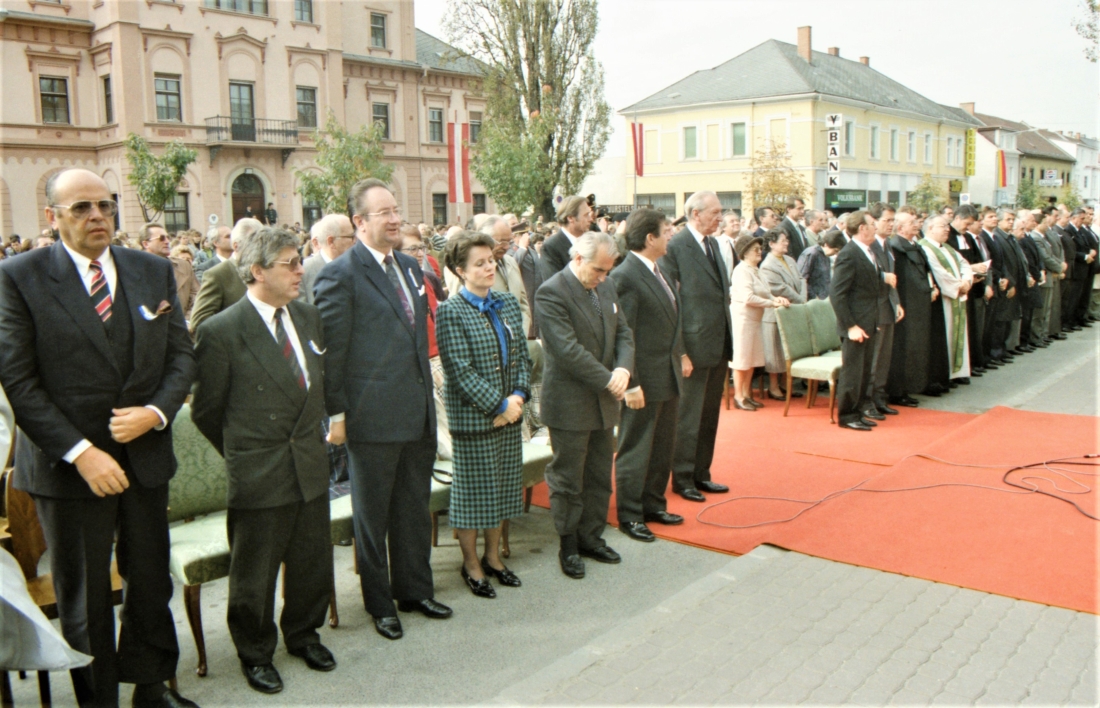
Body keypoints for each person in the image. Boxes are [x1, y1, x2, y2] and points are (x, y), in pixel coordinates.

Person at [0, 168, 198, 707]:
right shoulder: (20, 276)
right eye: (82, 208)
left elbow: (181, 354)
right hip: (70, 468)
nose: (97, 217)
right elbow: (18, 381)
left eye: (106, 206)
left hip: (144, 457)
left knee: (151, 581)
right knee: (84, 596)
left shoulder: (151, 270)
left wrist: (155, 412)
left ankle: (151, 687)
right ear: (53, 217)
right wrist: (82, 453)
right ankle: (99, 699)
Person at [191, 227, 335, 694]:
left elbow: (317, 384)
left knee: (312, 558)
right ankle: (255, 652)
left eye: (300, 261)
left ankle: (303, 633)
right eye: (290, 263)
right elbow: (208, 411)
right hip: (259, 469)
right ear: (256, 271)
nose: (300, 270)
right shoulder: (221, 330)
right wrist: (246, 451)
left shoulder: (309, 318)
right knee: (255, 573)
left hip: (309, 463)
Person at [314, 178, 452, 640]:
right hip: (371, 419)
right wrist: (337, 416)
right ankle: (380, 603)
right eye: (385, 213)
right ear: (359, 222)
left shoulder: (411, 267)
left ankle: (414, 588)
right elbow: (332, 355)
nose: (396, 219)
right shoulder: (340, 274)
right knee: (371, 518)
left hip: (417, 413)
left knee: (413, 509)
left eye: (397, 210)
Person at [435, 231, 531, 597]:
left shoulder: (505, 302)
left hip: (510, 414)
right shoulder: (451, 311)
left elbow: (520, 356)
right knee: (474, 496)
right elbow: (460, 372)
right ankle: (471, 564)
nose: (490, 267)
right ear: (460, 270)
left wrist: (518, 398)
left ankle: (494, 558)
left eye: (491, 260)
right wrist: (500, 405)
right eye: (480, 263)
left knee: (504, 490)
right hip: (476, 420)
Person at [535, 232, 634, 579]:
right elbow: (567, 351)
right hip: (570, 401)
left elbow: (623, 331)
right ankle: (569, 544)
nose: (604, 278)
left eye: (608, 271)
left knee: (597, 474)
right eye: (598, 270)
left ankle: (592, 537)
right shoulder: (551, 292)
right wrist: (610, 379)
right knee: (568, 478)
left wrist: (623, 368)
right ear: (577, 258)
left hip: (604, 399)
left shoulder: (605, 286)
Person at [608, 209, 684, 542]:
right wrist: (632, 382)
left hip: (666, 373)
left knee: (662, 446)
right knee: (636, 446)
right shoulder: (625, 276)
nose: (671, 235)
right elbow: (625, 335)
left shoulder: (659, 269)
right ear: (649, 238)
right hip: (643, 378)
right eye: (666, 231)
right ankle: (630, 513)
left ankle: (653, 503)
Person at [659, 191, 732, 503]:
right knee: (688, 417)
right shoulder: (675, 247)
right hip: (693, 346)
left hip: (717, 343)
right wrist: (682, 351)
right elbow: (671, 304)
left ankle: (702, 472)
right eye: (715, 213)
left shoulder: (713, 244)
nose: (721, 218)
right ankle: (683, 477)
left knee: (709, 415)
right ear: (695, 214)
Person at [830, 211, 885, 431]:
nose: (876, 227)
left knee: (863, 371)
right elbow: (838, 294)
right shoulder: (849, 254)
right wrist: (850, 326)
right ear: (862, 228)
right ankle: (847, 415)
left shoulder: (867, 251)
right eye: (873, 224)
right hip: (854, 325)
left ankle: (858, 410)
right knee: (852, 372)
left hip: (867, 321)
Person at [730, 234, 786, 410]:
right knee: (742, 359)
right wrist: (772, 303)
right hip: (744, 320)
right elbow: (748, 298)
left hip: (756, 319)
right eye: (755, 249)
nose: (759, 252)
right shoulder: (741, 271)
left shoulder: (757, 270)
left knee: (752, 359)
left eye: (760, 249)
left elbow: (766, 293)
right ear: (745, 253)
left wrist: (778, 299)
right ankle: (739, 396)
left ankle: (747, 394)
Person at [886, 211, 935, 406]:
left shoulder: (915, 245)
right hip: (907, 304)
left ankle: (911, 386)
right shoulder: (896, 247)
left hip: (919, 303)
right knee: (904, 348)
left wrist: (931, 286)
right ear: (900, 228)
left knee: (916, 347)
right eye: (911, 223)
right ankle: (898, 391)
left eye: (916, 222)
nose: (916, 225)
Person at [919, 216, 973, 384]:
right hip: (943, 300)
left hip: (956, 295)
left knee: (956, 333)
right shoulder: (925, 248)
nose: (947, 229)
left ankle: (957, 372)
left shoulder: (948, 248)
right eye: (942, 226)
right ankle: (947, 373)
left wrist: (966, 281)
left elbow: (965, 264)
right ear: (930, 228)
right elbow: (939, 274)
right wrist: (959, 286)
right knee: (945, 335)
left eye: (947, 226)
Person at [190, 218, 262, 332]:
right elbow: (199, 322)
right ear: (236, 245)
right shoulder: (217, 274)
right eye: (254, 242)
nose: (260, 248)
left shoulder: (267, 270)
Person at [865, 203, 903, 417]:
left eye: (892, 220)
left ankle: (879, 396)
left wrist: (896, 302)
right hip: (874, 309)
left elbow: (893, 279)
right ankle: (867, 400)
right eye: (887, 220)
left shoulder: (886, 245)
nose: (891, 224)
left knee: (884, 357)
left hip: (887, 306)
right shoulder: (869, 246)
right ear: (874, 220)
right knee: (873, 357)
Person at [759, 228, 806, 400]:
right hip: (776, 315)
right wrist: (801, 300)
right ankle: (773, 388)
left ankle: (786, 385)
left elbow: (801, 279)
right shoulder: (767, 265)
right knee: (775, 352)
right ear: (771, 244)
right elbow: (780, 288)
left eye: (787, 240)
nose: (787, 243)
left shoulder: (789, 259)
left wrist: (803, 298)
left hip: (793, 311)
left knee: (789, 351)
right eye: (783, 240)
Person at [299, 214, 355, 305]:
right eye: (351, 237)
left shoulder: (360, 266)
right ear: (331, 242)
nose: (355, 241)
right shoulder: (304, 271)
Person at [538, 195, 593, 281]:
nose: (590, 219)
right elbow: (554, 285)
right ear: (571, 218)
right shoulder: (551, 247)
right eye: (586, 215)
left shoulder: (592, 241)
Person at [797, 230, 845, 300]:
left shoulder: (826, 255)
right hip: (812, 299)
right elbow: (802, 278)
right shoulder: (811, 253)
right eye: (835, 250)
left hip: (824, 297)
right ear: (826, 244)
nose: (835, 254)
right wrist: (814, 296)